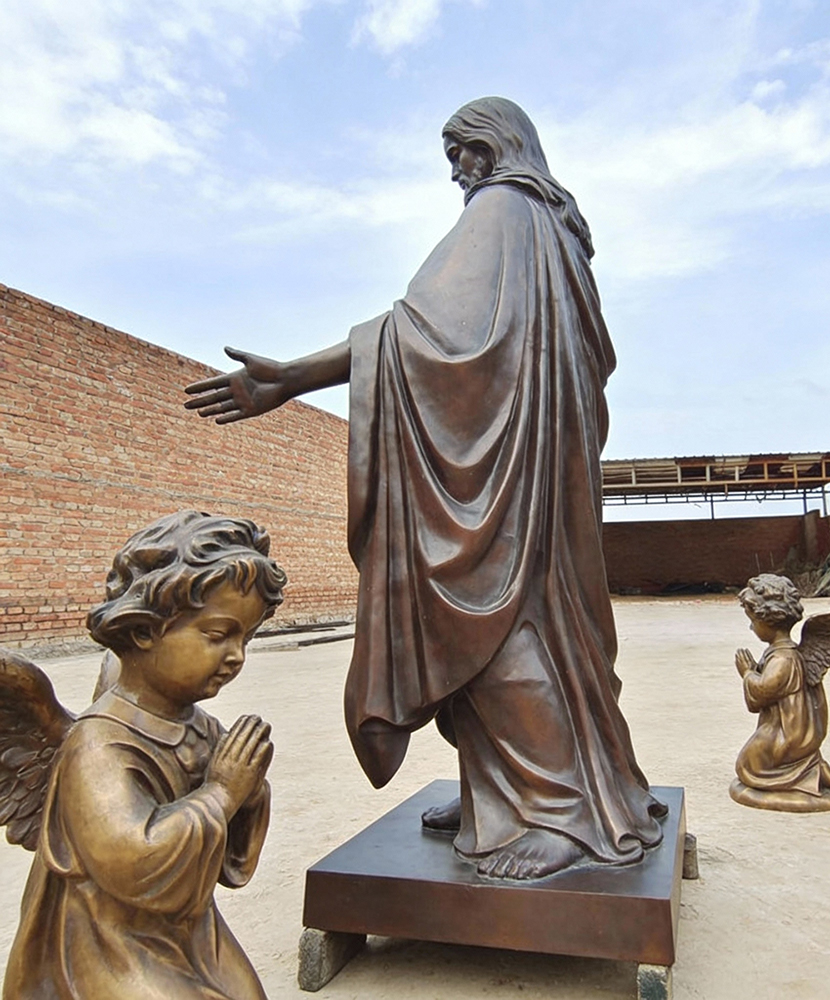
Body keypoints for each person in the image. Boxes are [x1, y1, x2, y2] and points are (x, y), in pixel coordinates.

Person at [184, 96, 663, 880]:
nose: (456, 170)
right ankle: (497, 791)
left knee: (505, 621)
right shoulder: (554, 232)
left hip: (509, 477)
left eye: (464, 151)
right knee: (503, 624)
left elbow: (425, 334)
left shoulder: (506, 210)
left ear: (499, 146)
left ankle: (559, 813)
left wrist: (296, 375)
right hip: (535, 462)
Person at [2, 511, 287, 999]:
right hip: (110, 941)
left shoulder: (197, 726)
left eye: (247, 637)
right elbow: (134, 863)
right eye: (219, 636)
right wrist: (221, 794)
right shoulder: (97, 745)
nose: (237, 655)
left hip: (188, 928)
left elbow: (230, 859)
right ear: (142, 632)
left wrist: (248, 793)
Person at [731, 574, 830, 812]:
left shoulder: (784, 658)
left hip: (790, 735)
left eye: (753, 622)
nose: (751, 627)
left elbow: (762, 693)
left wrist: (747, 673)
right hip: (784, 727)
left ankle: (793, 776)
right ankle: (799, 774)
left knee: (747, 765)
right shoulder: (780, 652)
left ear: (769, 621)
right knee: (748, 763)